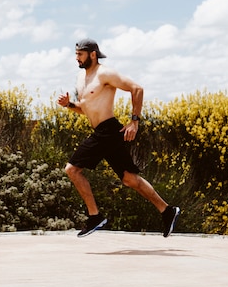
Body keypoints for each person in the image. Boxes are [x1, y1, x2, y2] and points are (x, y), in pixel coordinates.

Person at [57, 38, 180, 238]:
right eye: (76, 54)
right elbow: (85, 109)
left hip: (107, 130)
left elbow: (137, 89)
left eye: (80, 54)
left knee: (72, 169)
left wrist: (134, 121)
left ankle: (95, 216)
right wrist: (69, 105)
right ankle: (167, 211)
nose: (77, 58)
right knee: (130, 179)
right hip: (104, 133)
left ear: (93, 54)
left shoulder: (105, 73)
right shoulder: (82, 78)